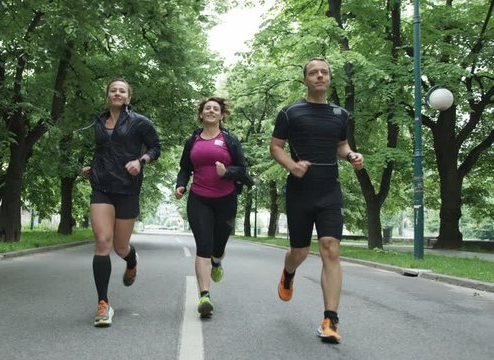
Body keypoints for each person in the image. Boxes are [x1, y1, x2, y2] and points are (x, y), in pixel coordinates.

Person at [269, 57, 364, 343]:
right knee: (298, 252)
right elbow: (276, 147)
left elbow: (341, 145)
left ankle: (330, 320)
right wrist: (291, 166)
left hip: (329, 188)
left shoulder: (340, 115)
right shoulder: (289, 113)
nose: (320, 76)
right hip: (300, 189)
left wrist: (351, 155)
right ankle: (288, 273)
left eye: (324, 72)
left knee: (330, 248)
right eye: (313, 73)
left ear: (330, 78)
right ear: (305, 79)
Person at [82, 78, 161, 327]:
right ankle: (103, 304)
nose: (117, 93)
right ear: (108, 95)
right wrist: (92, 168)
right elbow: (102, 152)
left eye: (122, 91)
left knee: (120, 247)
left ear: (128, 97)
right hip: (102, 187)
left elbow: (156, 147)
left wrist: (142, 160)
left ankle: (131, 261)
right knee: (102, 242)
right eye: (113, 90)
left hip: (127, 188)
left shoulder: (140, 122)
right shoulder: (98, 122)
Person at [175, 97, 252, 318]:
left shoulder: (230, 139)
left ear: (221, 115)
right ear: (201, 114)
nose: (211, 111)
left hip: (225, 199)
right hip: (199, 198)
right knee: (203, 246)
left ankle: (217, 261)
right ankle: (204, 296)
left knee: (218, 247)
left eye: (215, 109)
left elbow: (242, 170)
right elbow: (184, 168)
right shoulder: (192, 141)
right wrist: (181, 185)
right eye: (207, 108)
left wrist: (226, 173)